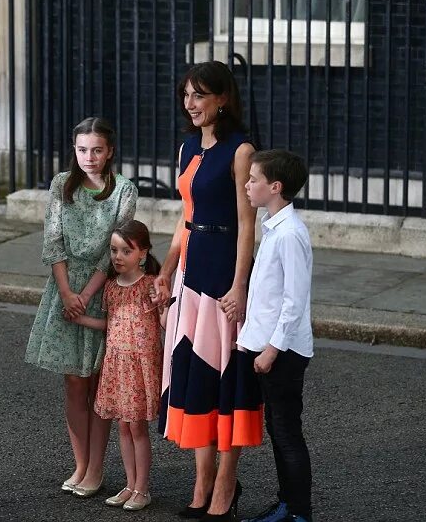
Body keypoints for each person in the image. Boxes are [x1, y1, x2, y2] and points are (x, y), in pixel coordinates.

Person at [152, 61, 263, 522]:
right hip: (192, 269)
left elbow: (246, 223)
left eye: (199, 95)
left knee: (226, 378)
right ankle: (201, 480)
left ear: (223, 98)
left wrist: (240, 286)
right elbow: (185, 215)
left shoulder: (242, 151)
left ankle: (225, 483)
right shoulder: (187, 147)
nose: (190, 104)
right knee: (193, 373)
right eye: (186, 95)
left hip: (223, 272)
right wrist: (166, 269)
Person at [24, 116, 138, 498]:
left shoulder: (124, 190)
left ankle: (97, 469)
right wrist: (66, 292)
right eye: (82, 149)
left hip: (101, 288)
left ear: (110, 152)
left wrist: (86, 295)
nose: (89, 157)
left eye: (97, 150)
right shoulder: (61, 184)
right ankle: (81, 464)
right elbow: (53, 240)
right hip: (63, 287)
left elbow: (115, 250)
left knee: (98, 384)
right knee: (73, 382)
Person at [236, 150, 313, 522]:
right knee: (278, 431)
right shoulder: (274, 227)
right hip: (269, 345)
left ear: (275, 187)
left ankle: (298, 513)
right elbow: (269, 294)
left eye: (254, 179)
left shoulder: (290, 235)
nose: (247, 185)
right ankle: (287, 504)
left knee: (286, 433)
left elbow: (293, 302)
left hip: (283, 351)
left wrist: (270, 350)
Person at [68, 220, 164, 511]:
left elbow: (163, 320)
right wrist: (82, 319)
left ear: (143, 253)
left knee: (136, 428)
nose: (118, 257)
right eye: (113, 250)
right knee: (123, 427)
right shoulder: (110, 287)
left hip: (140, 364)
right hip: (117, 365)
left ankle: (142, 489)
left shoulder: (150, 285)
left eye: (126, 250)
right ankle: (129, 485)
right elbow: (111, 325)